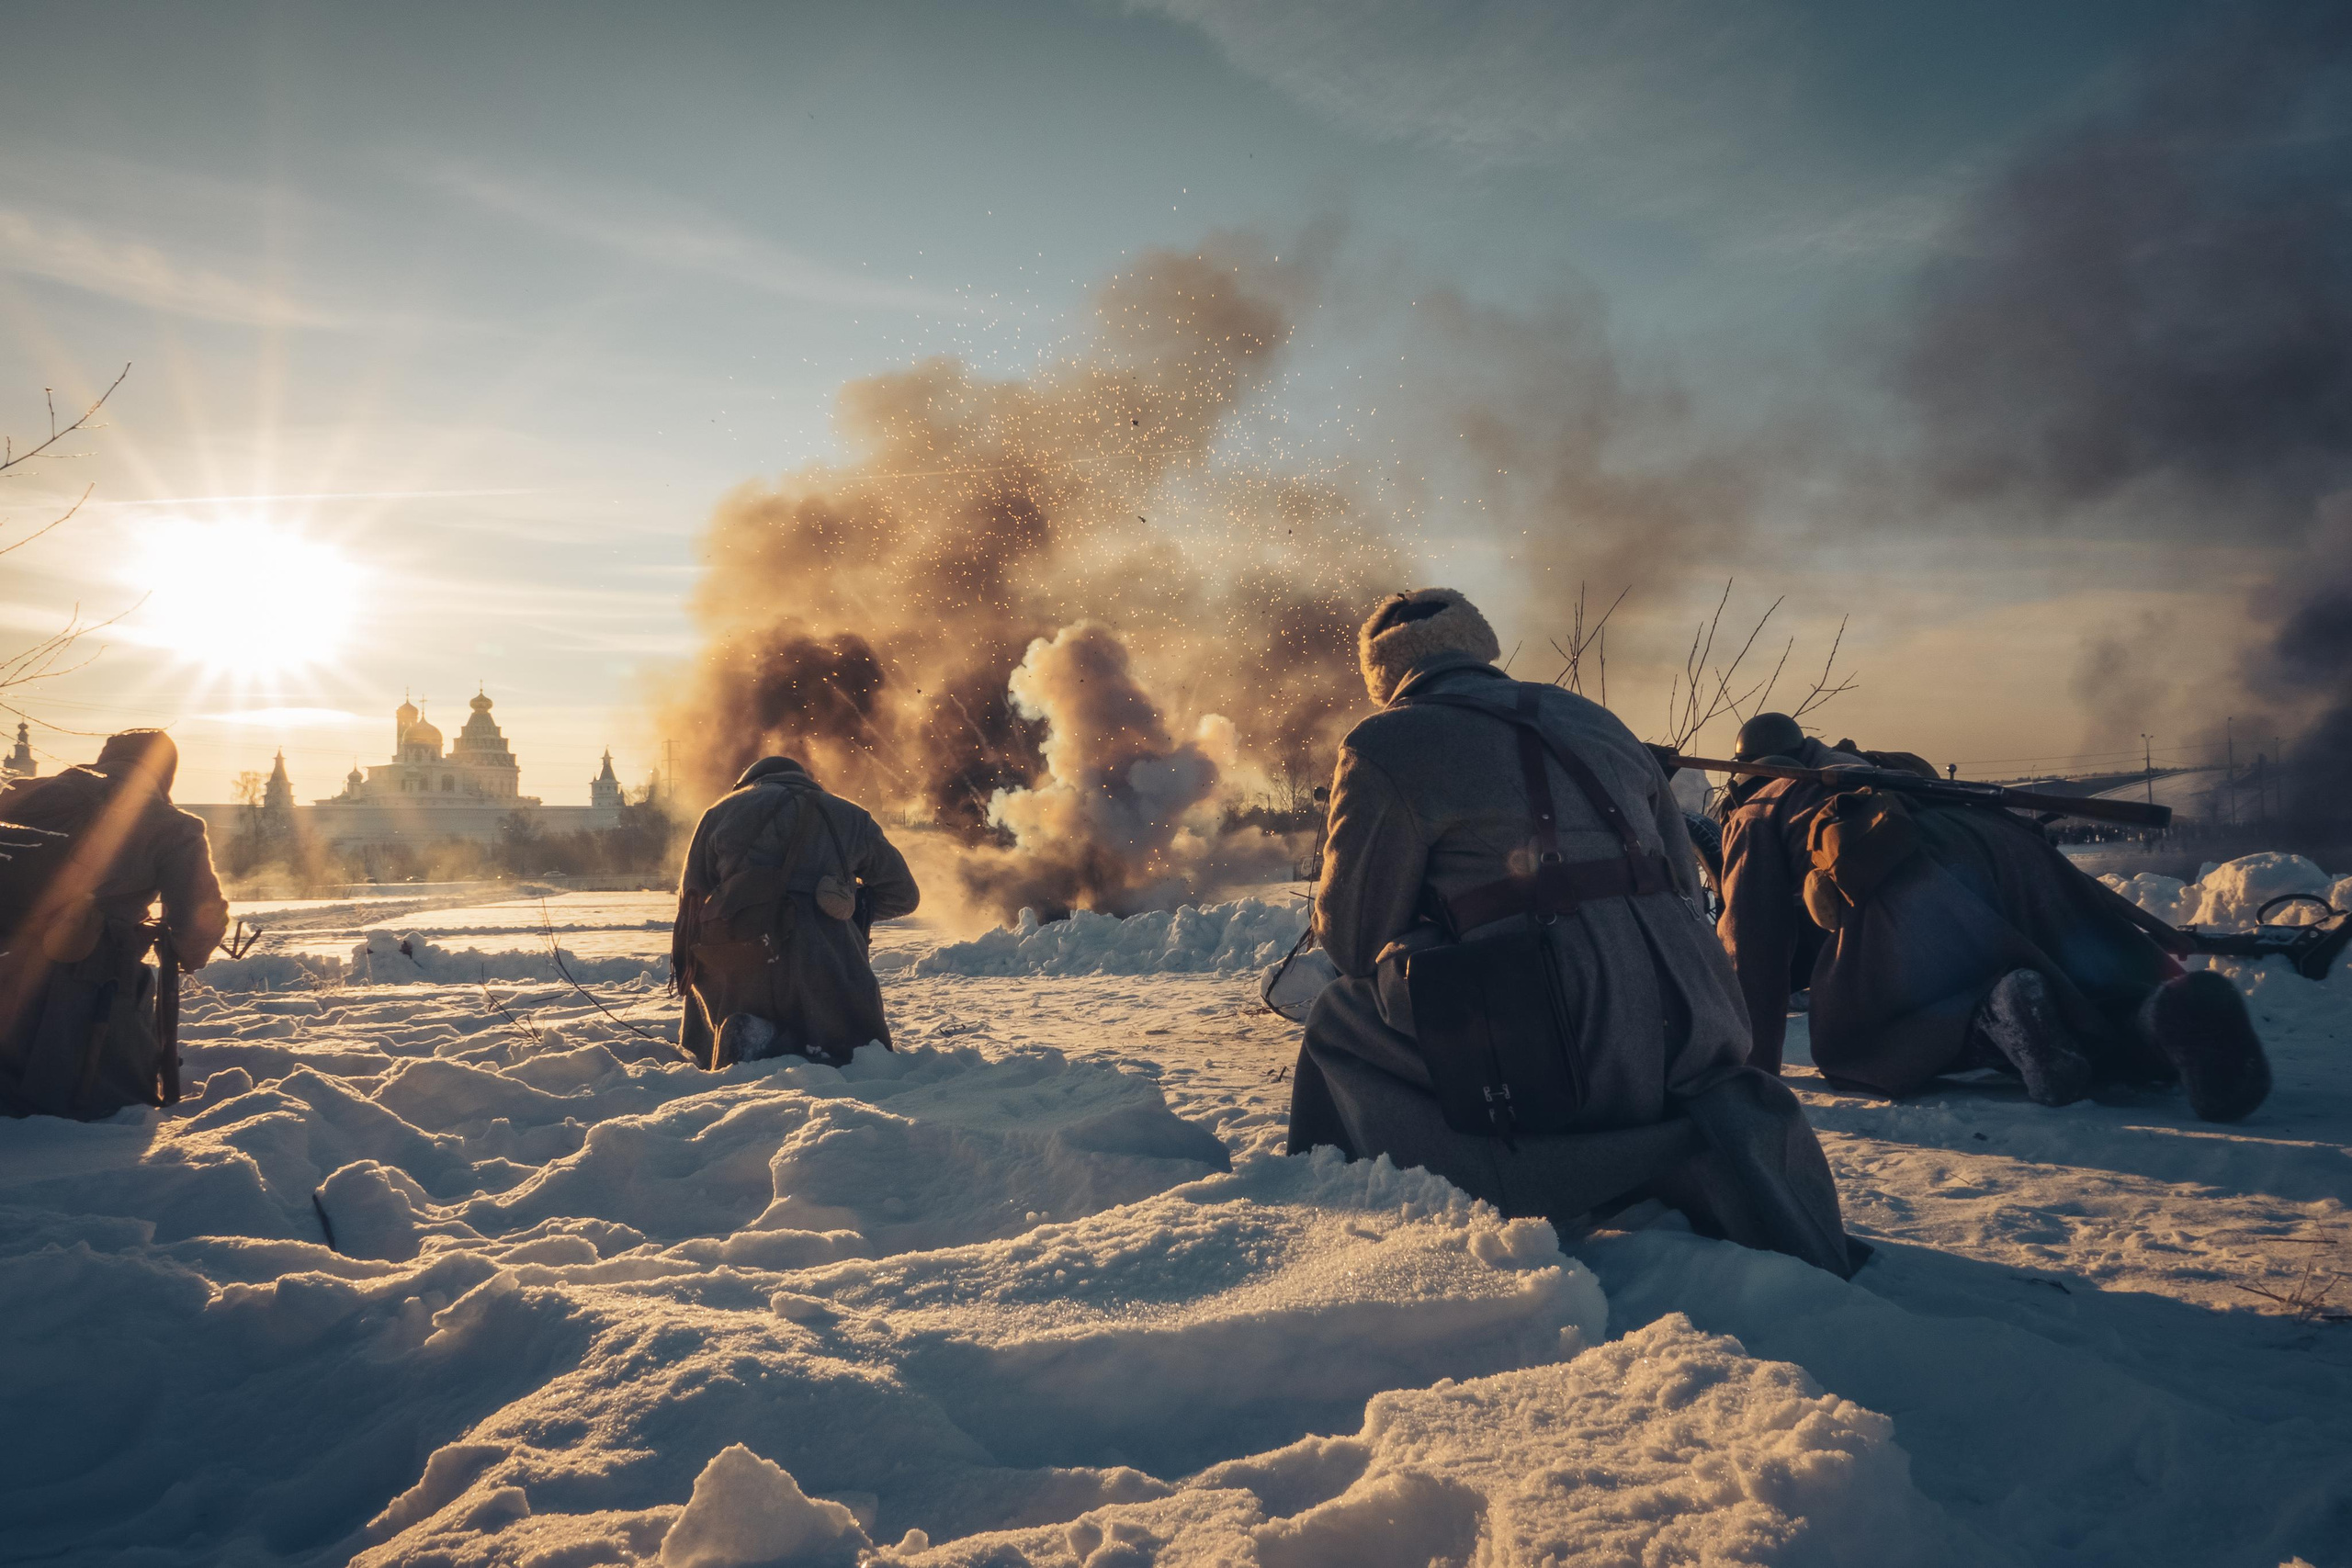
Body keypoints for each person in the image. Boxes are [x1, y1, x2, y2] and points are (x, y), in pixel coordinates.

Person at [1283, 589, 1861, 1278]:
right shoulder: (1596, 719)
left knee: (1340, 1018)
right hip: (1694, 1022)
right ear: (1479, 646)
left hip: (1568, 1040)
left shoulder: (1382, 743)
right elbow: (1682, 877)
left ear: (1382, 675)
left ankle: (1404, 1215)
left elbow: (1352, 938)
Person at [1715, 711, 2268, 1121]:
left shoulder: (1757, 808)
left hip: (1899, 859)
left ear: (1744, 774)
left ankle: (1997, 1021)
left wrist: (1751, 1074)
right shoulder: (1867, 766)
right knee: (2085, 977)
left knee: (1857, 1037)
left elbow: (1753, 948)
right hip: (2008, 845)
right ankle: (2154, 1015)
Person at [0, 730, 229, 1119]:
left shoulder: (17, 794)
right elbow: (196, 921)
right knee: (93, 1103)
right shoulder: (171, 826)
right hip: (86, 986)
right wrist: (190, 953)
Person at [671, 755, 920, 1069]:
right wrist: (848, 909)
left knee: (715, 999)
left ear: (746, 783)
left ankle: (744, 1034)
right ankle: (806, 1046)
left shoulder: (721, 812)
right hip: (827, 953)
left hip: (741, 952)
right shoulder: (851, 816)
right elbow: (903, 895)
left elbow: (691, 902)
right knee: (850, 1046)